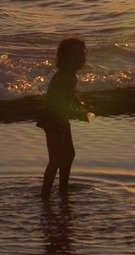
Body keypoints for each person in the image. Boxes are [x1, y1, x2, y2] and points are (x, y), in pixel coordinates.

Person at [37, 37, 90, 199]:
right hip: (52, 119)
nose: (79, 58)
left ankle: (63, 187)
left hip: (62, 118)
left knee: (69, 155)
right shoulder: (63, 77)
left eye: (81, 54)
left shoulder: (70, 76)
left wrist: (80, 104)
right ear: (63, 58)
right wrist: (79, 114)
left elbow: (69, 94)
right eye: (74, 54)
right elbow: (58, 104)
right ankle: (45, 195)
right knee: (55, 160)